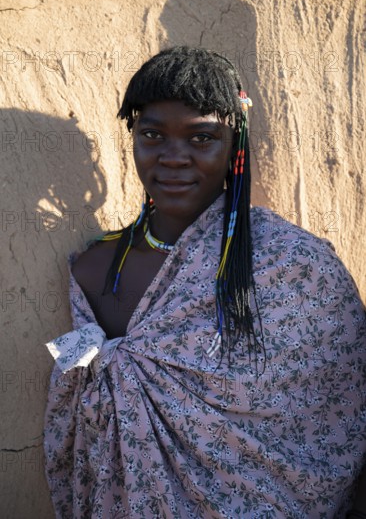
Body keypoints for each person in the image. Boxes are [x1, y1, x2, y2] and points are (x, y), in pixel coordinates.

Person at [44, 46, 366, 518]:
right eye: (152, 135)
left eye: (201, 139)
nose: (173, 157)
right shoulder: (93, 270)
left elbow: (338, 419)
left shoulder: (296, 266)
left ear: (234, 146)